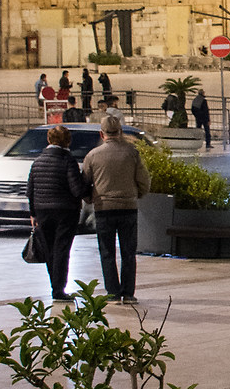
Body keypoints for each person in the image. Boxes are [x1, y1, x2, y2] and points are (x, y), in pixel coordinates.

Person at [81, 111, 147, 302]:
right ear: (120, 132)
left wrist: (90, 198)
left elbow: (84, 183)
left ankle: (112, 292)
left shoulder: (92, 156)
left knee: (107, 252)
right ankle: (128, 292)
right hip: (128, 207)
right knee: (128, 252)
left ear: (102, 134)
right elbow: (143, 180)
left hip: (104, 208)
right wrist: (137, 194)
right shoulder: (132, 153)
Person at [27, 123, 85, 302]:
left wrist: (33, 213)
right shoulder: (68, 161)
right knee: (62, 250)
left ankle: (55, 284)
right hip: (66, 212)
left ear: (48, 140)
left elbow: (30, 189)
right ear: (67, 142)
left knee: (50, 249)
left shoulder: (37, 162)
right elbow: (76, 189)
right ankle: (59, 289)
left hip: (43, 211)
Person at [190, 84, 211, 149]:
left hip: (198, 118)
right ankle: (208, 144)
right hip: (204, 118)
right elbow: (206, 111)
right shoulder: (204, 101)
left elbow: (192, 109)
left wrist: (196, 116)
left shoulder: (195, 100)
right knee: (207, 131)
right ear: (202, 93)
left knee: (198, 130)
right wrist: (208, 120)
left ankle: (196, 143)